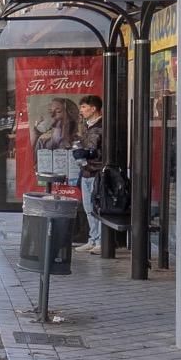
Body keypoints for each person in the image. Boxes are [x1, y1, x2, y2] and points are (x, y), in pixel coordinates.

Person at [72, 95, 105, 252]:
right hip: (86, 171)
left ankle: (100, 241)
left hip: (96, 172)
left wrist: (87, 153)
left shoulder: (102, 126)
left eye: (84, 107)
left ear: (93, 108)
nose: (82, 110)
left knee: (97, 207)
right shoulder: (86, 126)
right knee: (88, 208)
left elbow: (98, 150)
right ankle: (93, 239)